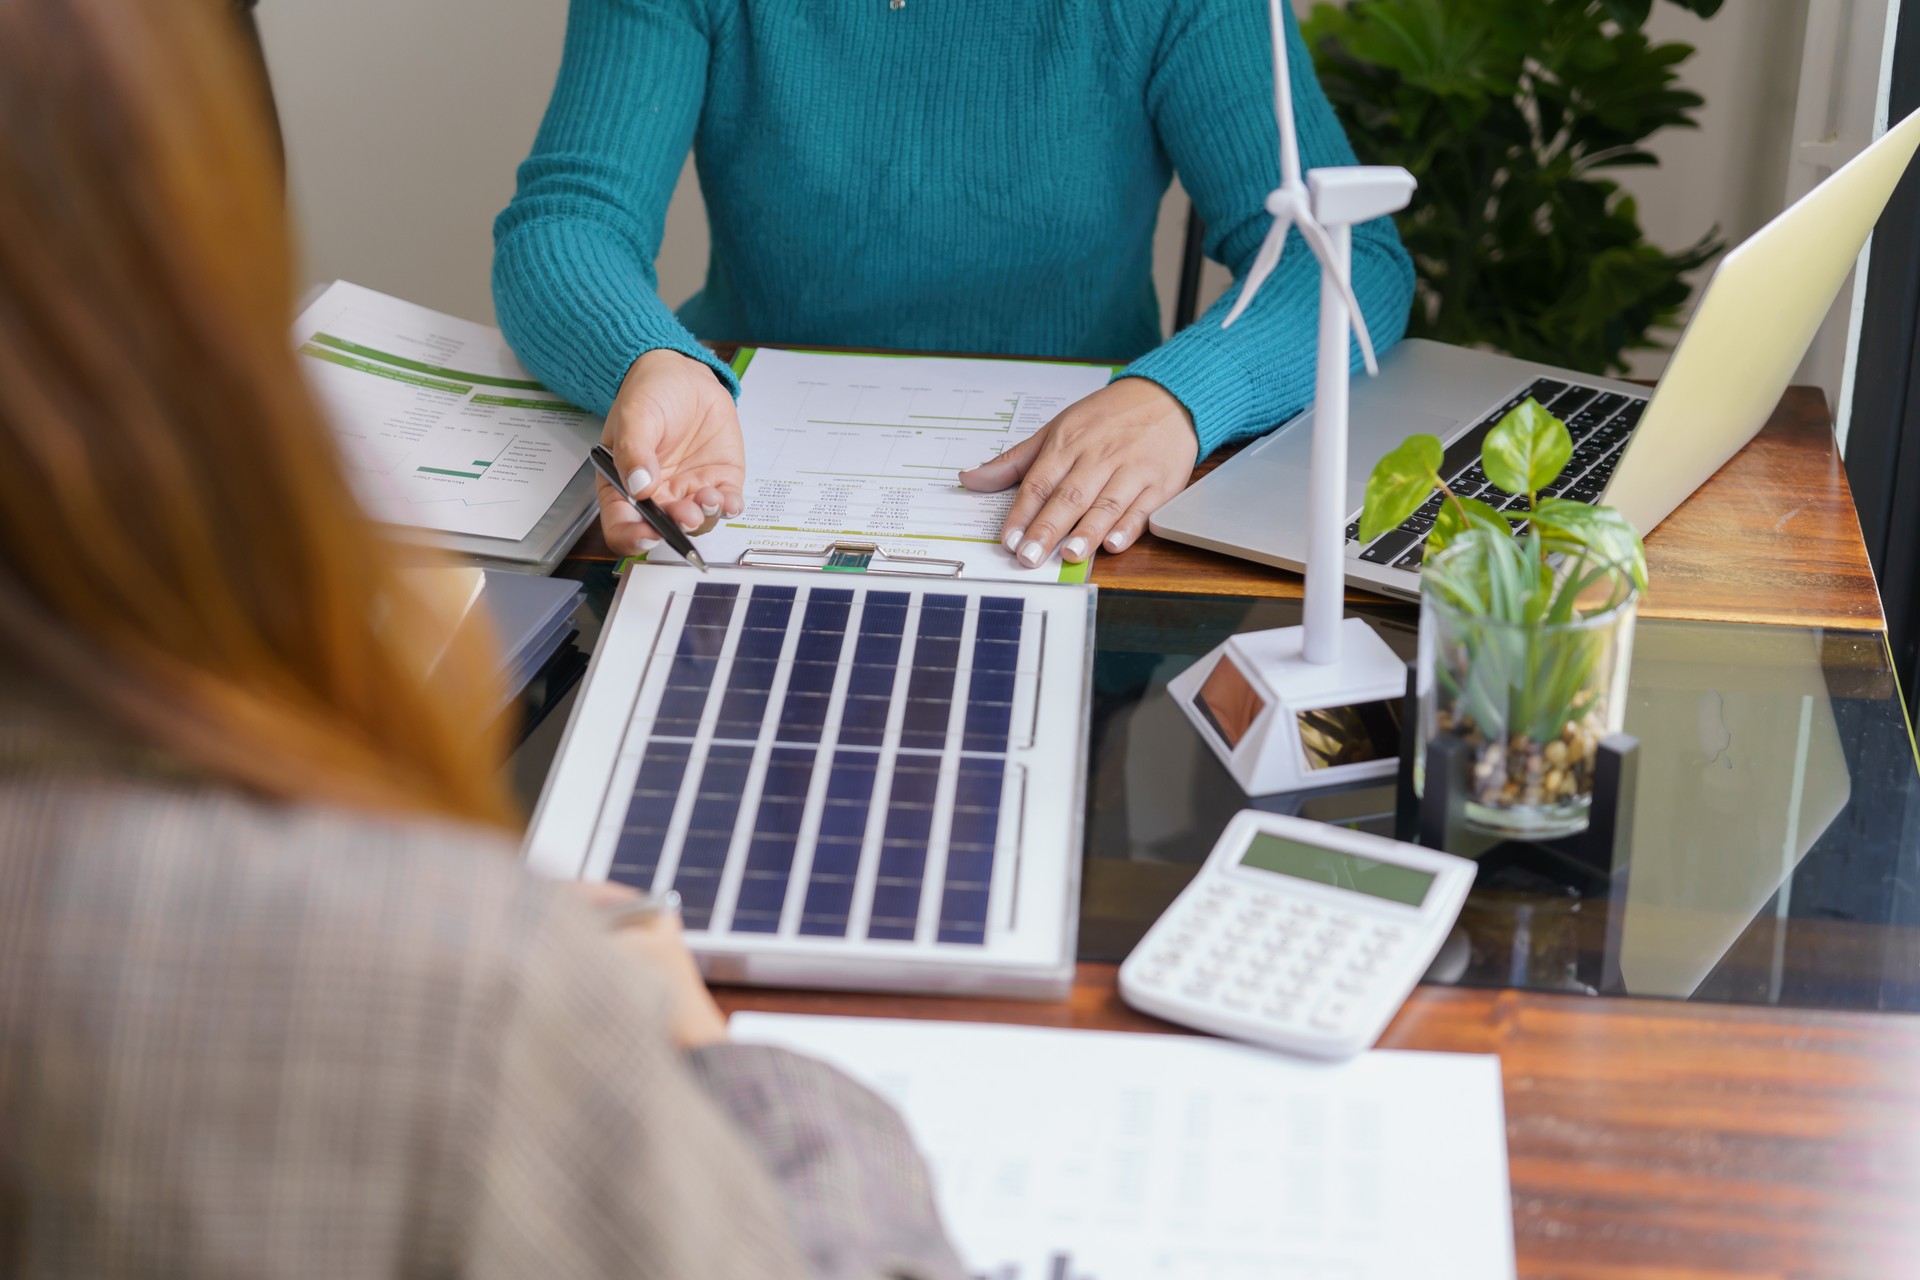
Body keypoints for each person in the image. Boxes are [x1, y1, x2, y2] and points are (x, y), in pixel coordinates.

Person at [0, 3, 964, 1277]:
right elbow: (567, 220)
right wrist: (719, 1060)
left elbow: (1304, 256)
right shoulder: (461, 995)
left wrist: (1179, 397)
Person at [493, 0, 1414, 568]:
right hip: (732, 482)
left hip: (1077, 523)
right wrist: (646, 359)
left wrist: (1180, 399)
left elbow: (1344, 258)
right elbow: (568, 221)